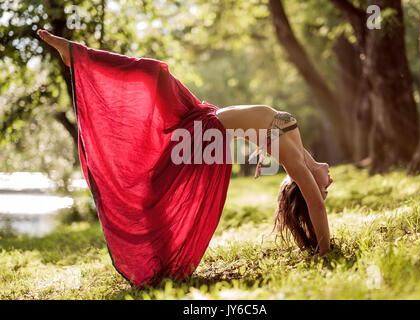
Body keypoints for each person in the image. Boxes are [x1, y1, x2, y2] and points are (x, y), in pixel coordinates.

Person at [37, 29, 333, 287]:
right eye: (325, 188)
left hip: (207, 131)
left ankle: (79, 57)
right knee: (156, 74)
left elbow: (315, 204)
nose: (327, 184)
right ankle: (81, 58)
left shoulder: (294, 163)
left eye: (322, 188)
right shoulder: (299, 156)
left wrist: (325, 252)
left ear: (302, 183)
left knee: (155, 79)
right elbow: (266, 134)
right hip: (201, 114)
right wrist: (261, 148)